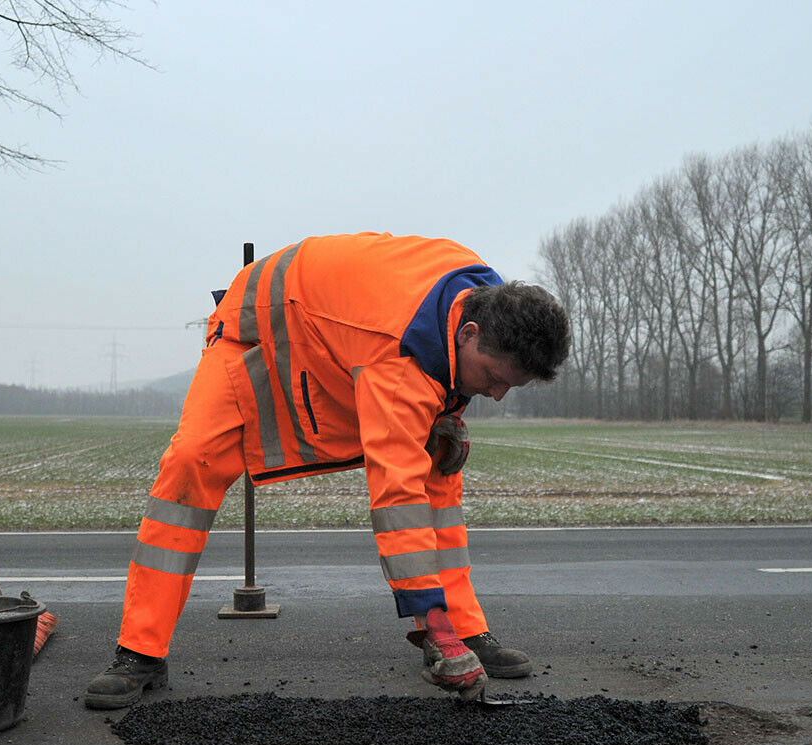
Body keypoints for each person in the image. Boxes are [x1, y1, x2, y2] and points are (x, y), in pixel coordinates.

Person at [84, 232, 571, 709]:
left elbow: (432, 361)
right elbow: (396, 496)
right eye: (493, 379)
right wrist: (431, 624)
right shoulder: (399, 358)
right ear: (469, 334)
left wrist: (447, 411)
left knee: (439, 471)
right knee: (190, 466)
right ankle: (140, 651)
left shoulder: (479, 295)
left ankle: (464, 626)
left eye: (511, 385)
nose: (498, 395)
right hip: (255, 335)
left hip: (336, 342)